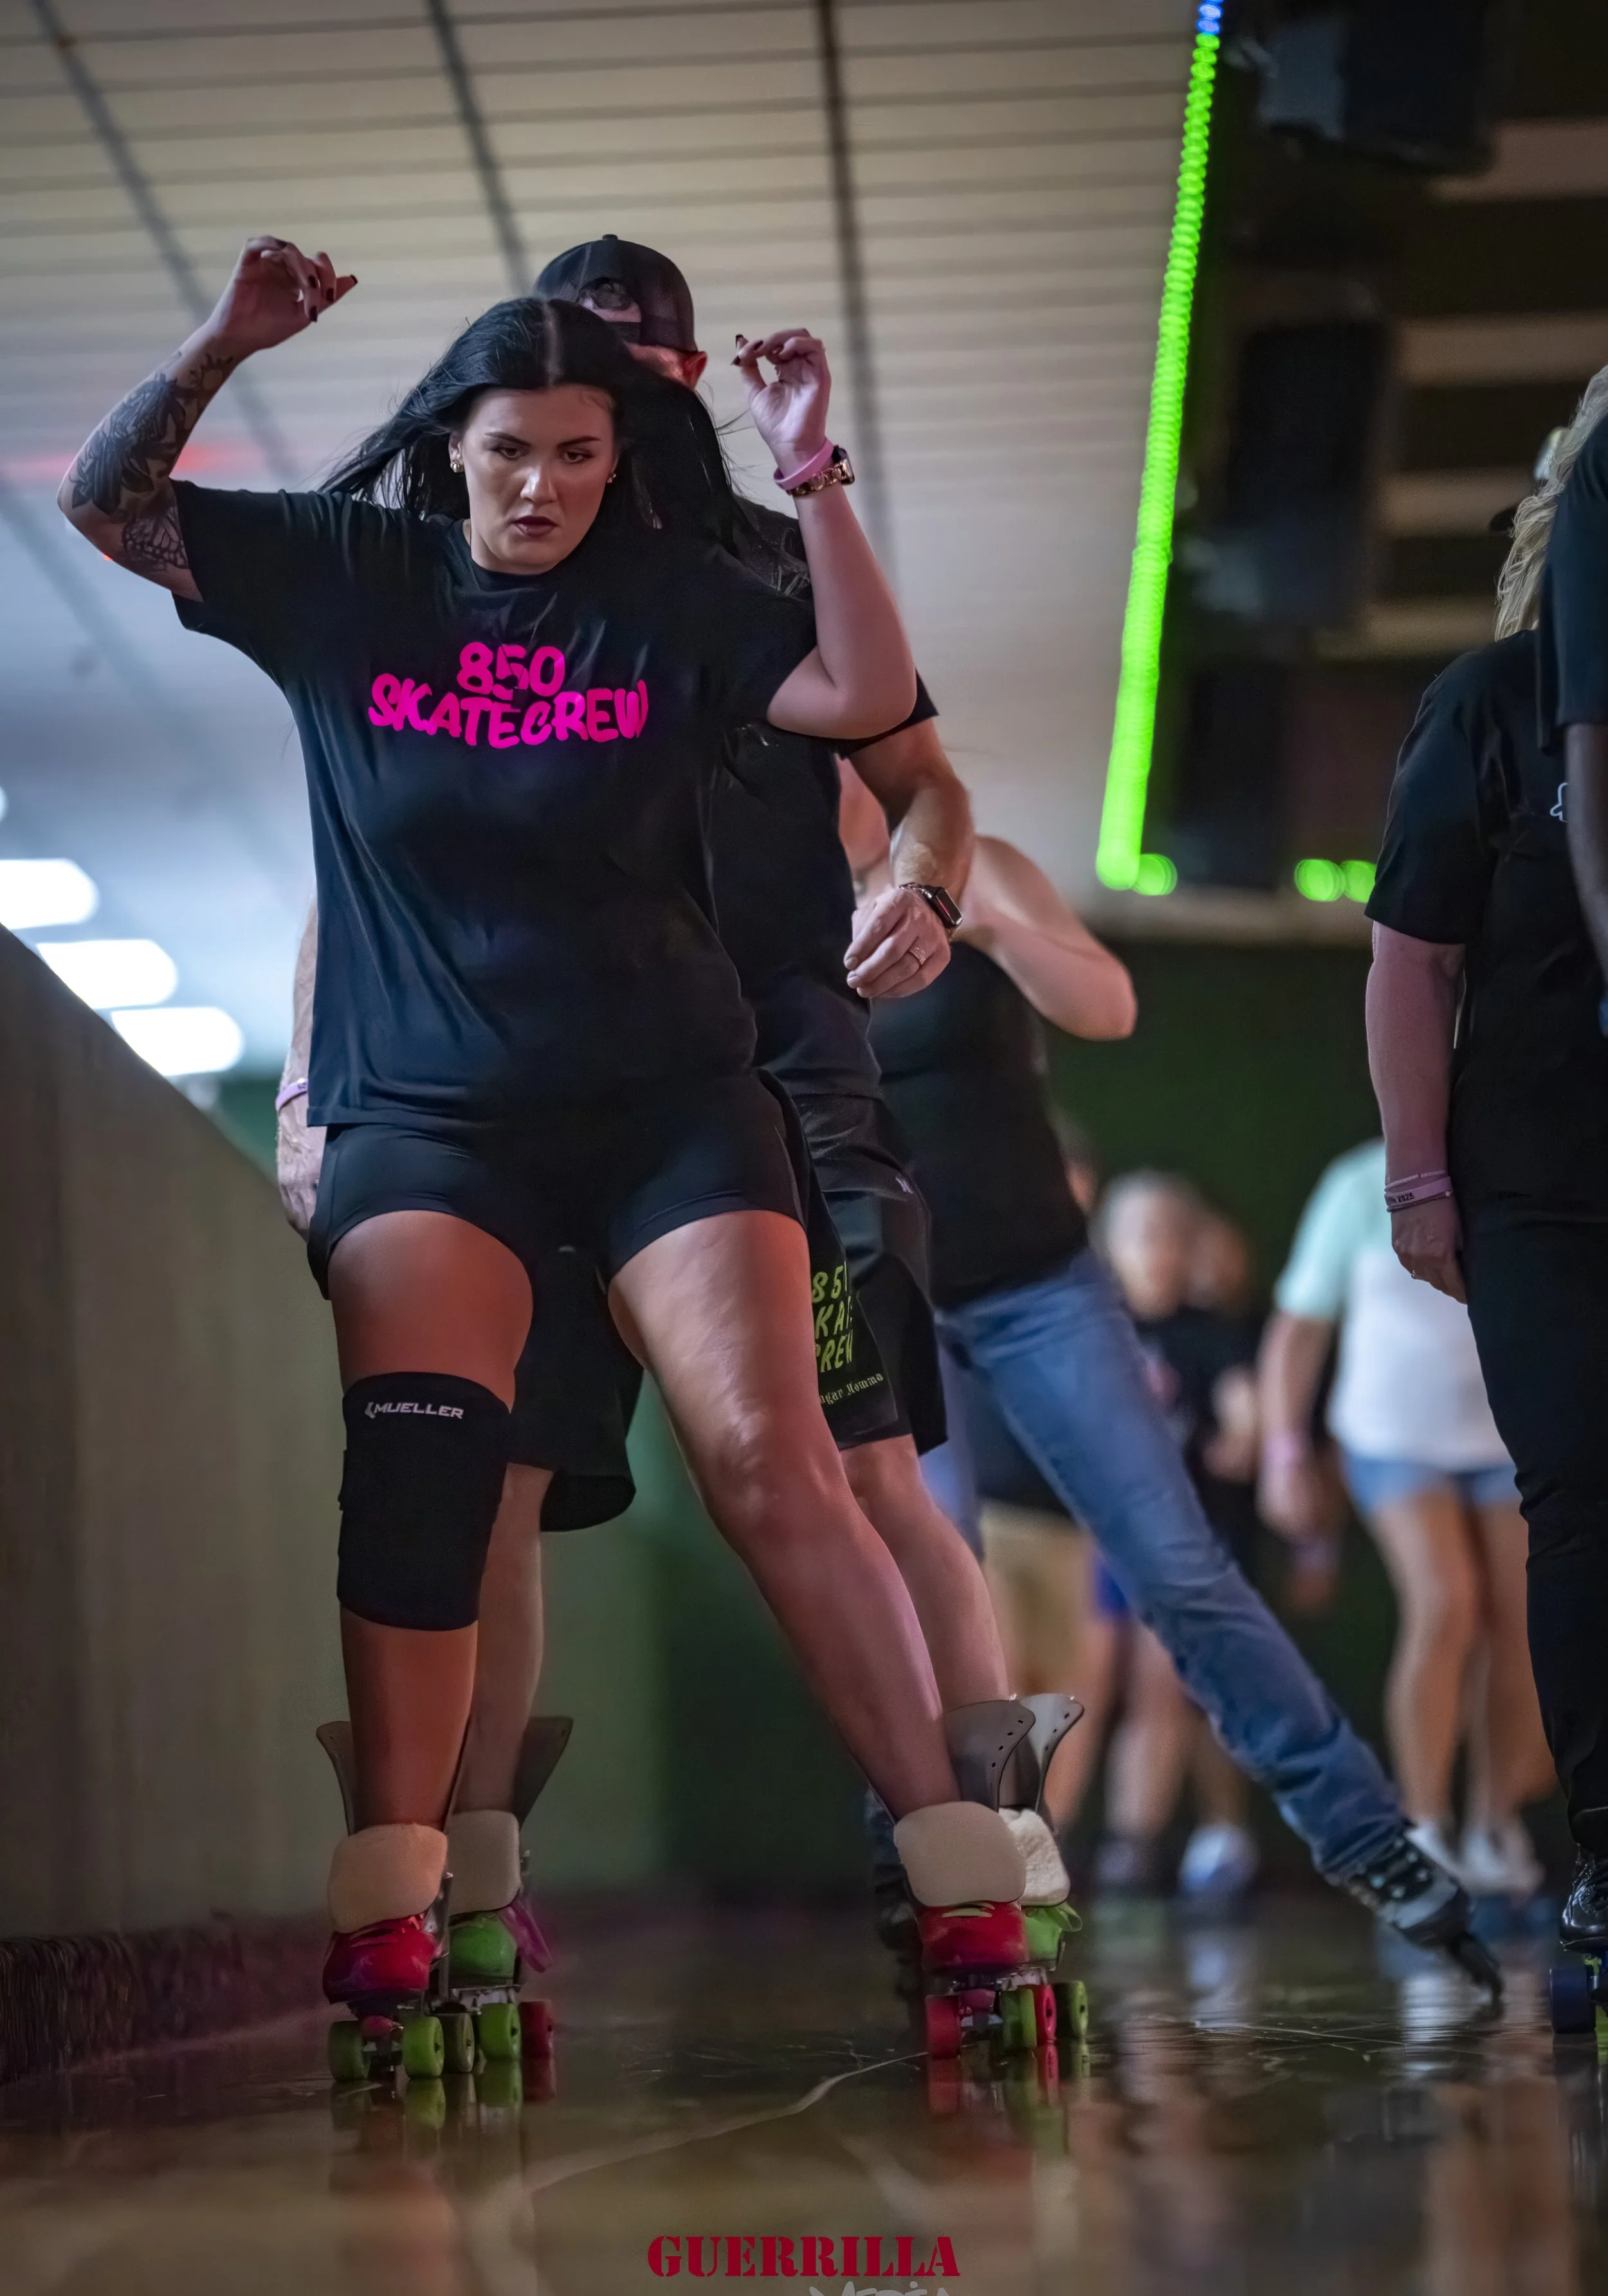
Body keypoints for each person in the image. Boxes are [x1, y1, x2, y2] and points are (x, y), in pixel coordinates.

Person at [59, 235, 1032, 2022]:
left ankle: (957, 1857)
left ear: (616, 457)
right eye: (511, 450)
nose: (542, 487)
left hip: (670, 1105)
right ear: (452, 445)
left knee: (773, 1458)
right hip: (429, 1116)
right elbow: (113, 509)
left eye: (579, 456)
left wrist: (811, 470)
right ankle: (401, 1887)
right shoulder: (346, 573)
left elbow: (869, 706)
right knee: (428, 1467)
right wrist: (223, 341)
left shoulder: (670, 599)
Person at [844, 785, 1499, 1980]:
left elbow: (1109, 1003)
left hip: (1040, 1283)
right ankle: (934, 1865)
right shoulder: (759, 914)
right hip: (888, 1300)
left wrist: (984, 924)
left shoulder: (974, 867)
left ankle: (1364, 1835)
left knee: (1179, 1564)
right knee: (925, 1589)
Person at [1365, 370, 1608, 1949]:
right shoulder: (1492, 702)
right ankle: (1602, 1846)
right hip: (1538, 1182)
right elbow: (1410, 959)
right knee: (1582, 1492)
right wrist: (1417, 1178)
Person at [1259, 1141, 1548, 1898]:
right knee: (1446, 1604)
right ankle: (1422, 1826)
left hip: (1507, 1436)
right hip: (1390, 1437)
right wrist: (1283, 1450)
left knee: (1519, 1623)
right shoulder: (1358, 1183)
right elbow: (1299, 1327)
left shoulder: (1529, 1164)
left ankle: (1495, 1822)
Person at [1085, 1172, 1261, 1902]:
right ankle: (1095, 1837)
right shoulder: (1091, 1329)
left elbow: (1244, 1410)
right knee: (1094, 1687)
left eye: (1170, 1236)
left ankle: (1137, 1842)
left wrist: (1246, 1434)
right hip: (1101, 1543)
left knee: (1166, 1687)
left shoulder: (1208, 1334)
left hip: (1186, 1543)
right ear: (1108, 1248)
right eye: (1140, 1236)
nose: (1156, 1252)